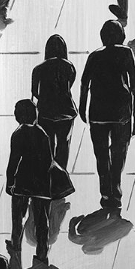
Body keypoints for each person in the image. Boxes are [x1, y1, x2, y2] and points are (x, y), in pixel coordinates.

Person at [79, 20, 135, 212]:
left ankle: (105, 188)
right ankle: (115, 184)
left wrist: (82, 107)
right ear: (121, 36)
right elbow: (134, 84)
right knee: (119, 150)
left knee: (101, 153)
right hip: (120, 110)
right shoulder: (125, 53)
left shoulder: (94, 56)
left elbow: (84, 83)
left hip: (98, 111)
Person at [6, 99, 53, 264]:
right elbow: (49, 159)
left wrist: (9, 181)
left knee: (18, 216)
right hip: (42, 183)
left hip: (23, 181)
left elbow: (14, 161)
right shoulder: (42, 133)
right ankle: (42, 251)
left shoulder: (18, 134)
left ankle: (16, 244)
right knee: (42, 220)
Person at [31, 34, 77, 169]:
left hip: (46, 111)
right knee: (64, 143)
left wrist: (44, 98)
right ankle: (62, 173)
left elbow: (34, 92)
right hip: (66, 111)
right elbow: (70, 84)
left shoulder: (38, 68)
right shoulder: (69, 66)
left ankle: (48, 171)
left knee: (47, 143)